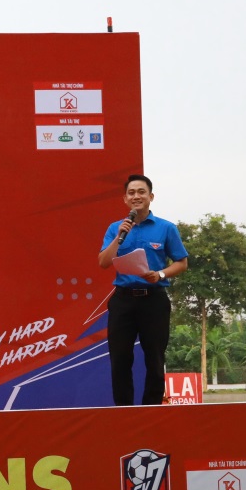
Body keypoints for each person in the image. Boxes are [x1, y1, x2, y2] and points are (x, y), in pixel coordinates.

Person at [97, 174, 188, 406]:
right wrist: (119, 236)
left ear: (151, 197)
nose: (136, 196)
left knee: (154, 358)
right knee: (120, 358)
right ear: (125, 199)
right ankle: (124, 410)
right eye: (131, 193)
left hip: (154, 300)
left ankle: (152, 409)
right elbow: (103, 262)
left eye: (141, 192)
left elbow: (182, 262)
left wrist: (161, 274)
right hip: (123, 300)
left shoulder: (166, 228)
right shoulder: (115, 228)